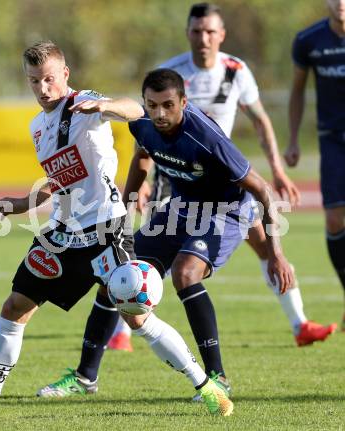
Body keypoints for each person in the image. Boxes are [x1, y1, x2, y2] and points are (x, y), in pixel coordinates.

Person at [0, 41, 233, 418]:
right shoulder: (38, 126)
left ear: (64, 74)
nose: (43, 88)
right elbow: (59, 180)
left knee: (136, 316)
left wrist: (105, 106)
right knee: (14, 307)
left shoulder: (84, 104)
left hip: (105, 228)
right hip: (63, 232)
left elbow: (134, 110)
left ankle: (206, 385)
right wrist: (22, 203)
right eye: (34, 81)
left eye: (49, 78)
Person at [38, 68, 294, 406]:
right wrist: (124, 212)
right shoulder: (142, 122)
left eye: (168, 105)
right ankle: (86, 377)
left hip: (226, 211)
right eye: (152, 104)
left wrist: (276, 253)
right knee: (116, 273)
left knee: (186, 274)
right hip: (182, 206)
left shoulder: (205, 136)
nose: (159, 114)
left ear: (183, 103)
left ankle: (218, 377)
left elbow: (262, 191)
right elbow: (142, 156)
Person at [108, 2, 336, 353]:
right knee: (155, 256)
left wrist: (276, 168)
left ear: (222, 34)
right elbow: (150, 131)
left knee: (266, 247)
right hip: (176, 178)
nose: (204, 38)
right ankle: (121, 332)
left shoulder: (236, 69)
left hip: (226, 181)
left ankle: (300, 323)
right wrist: (146, 177)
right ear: (188, 33)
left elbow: (259, 119)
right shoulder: (170, 72)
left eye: (211, 31)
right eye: (197, 31)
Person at [285, 0, 345, 330]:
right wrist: (292, 139)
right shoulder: (309, 40)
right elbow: (297, 91)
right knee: (335, 219)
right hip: (333, 139)